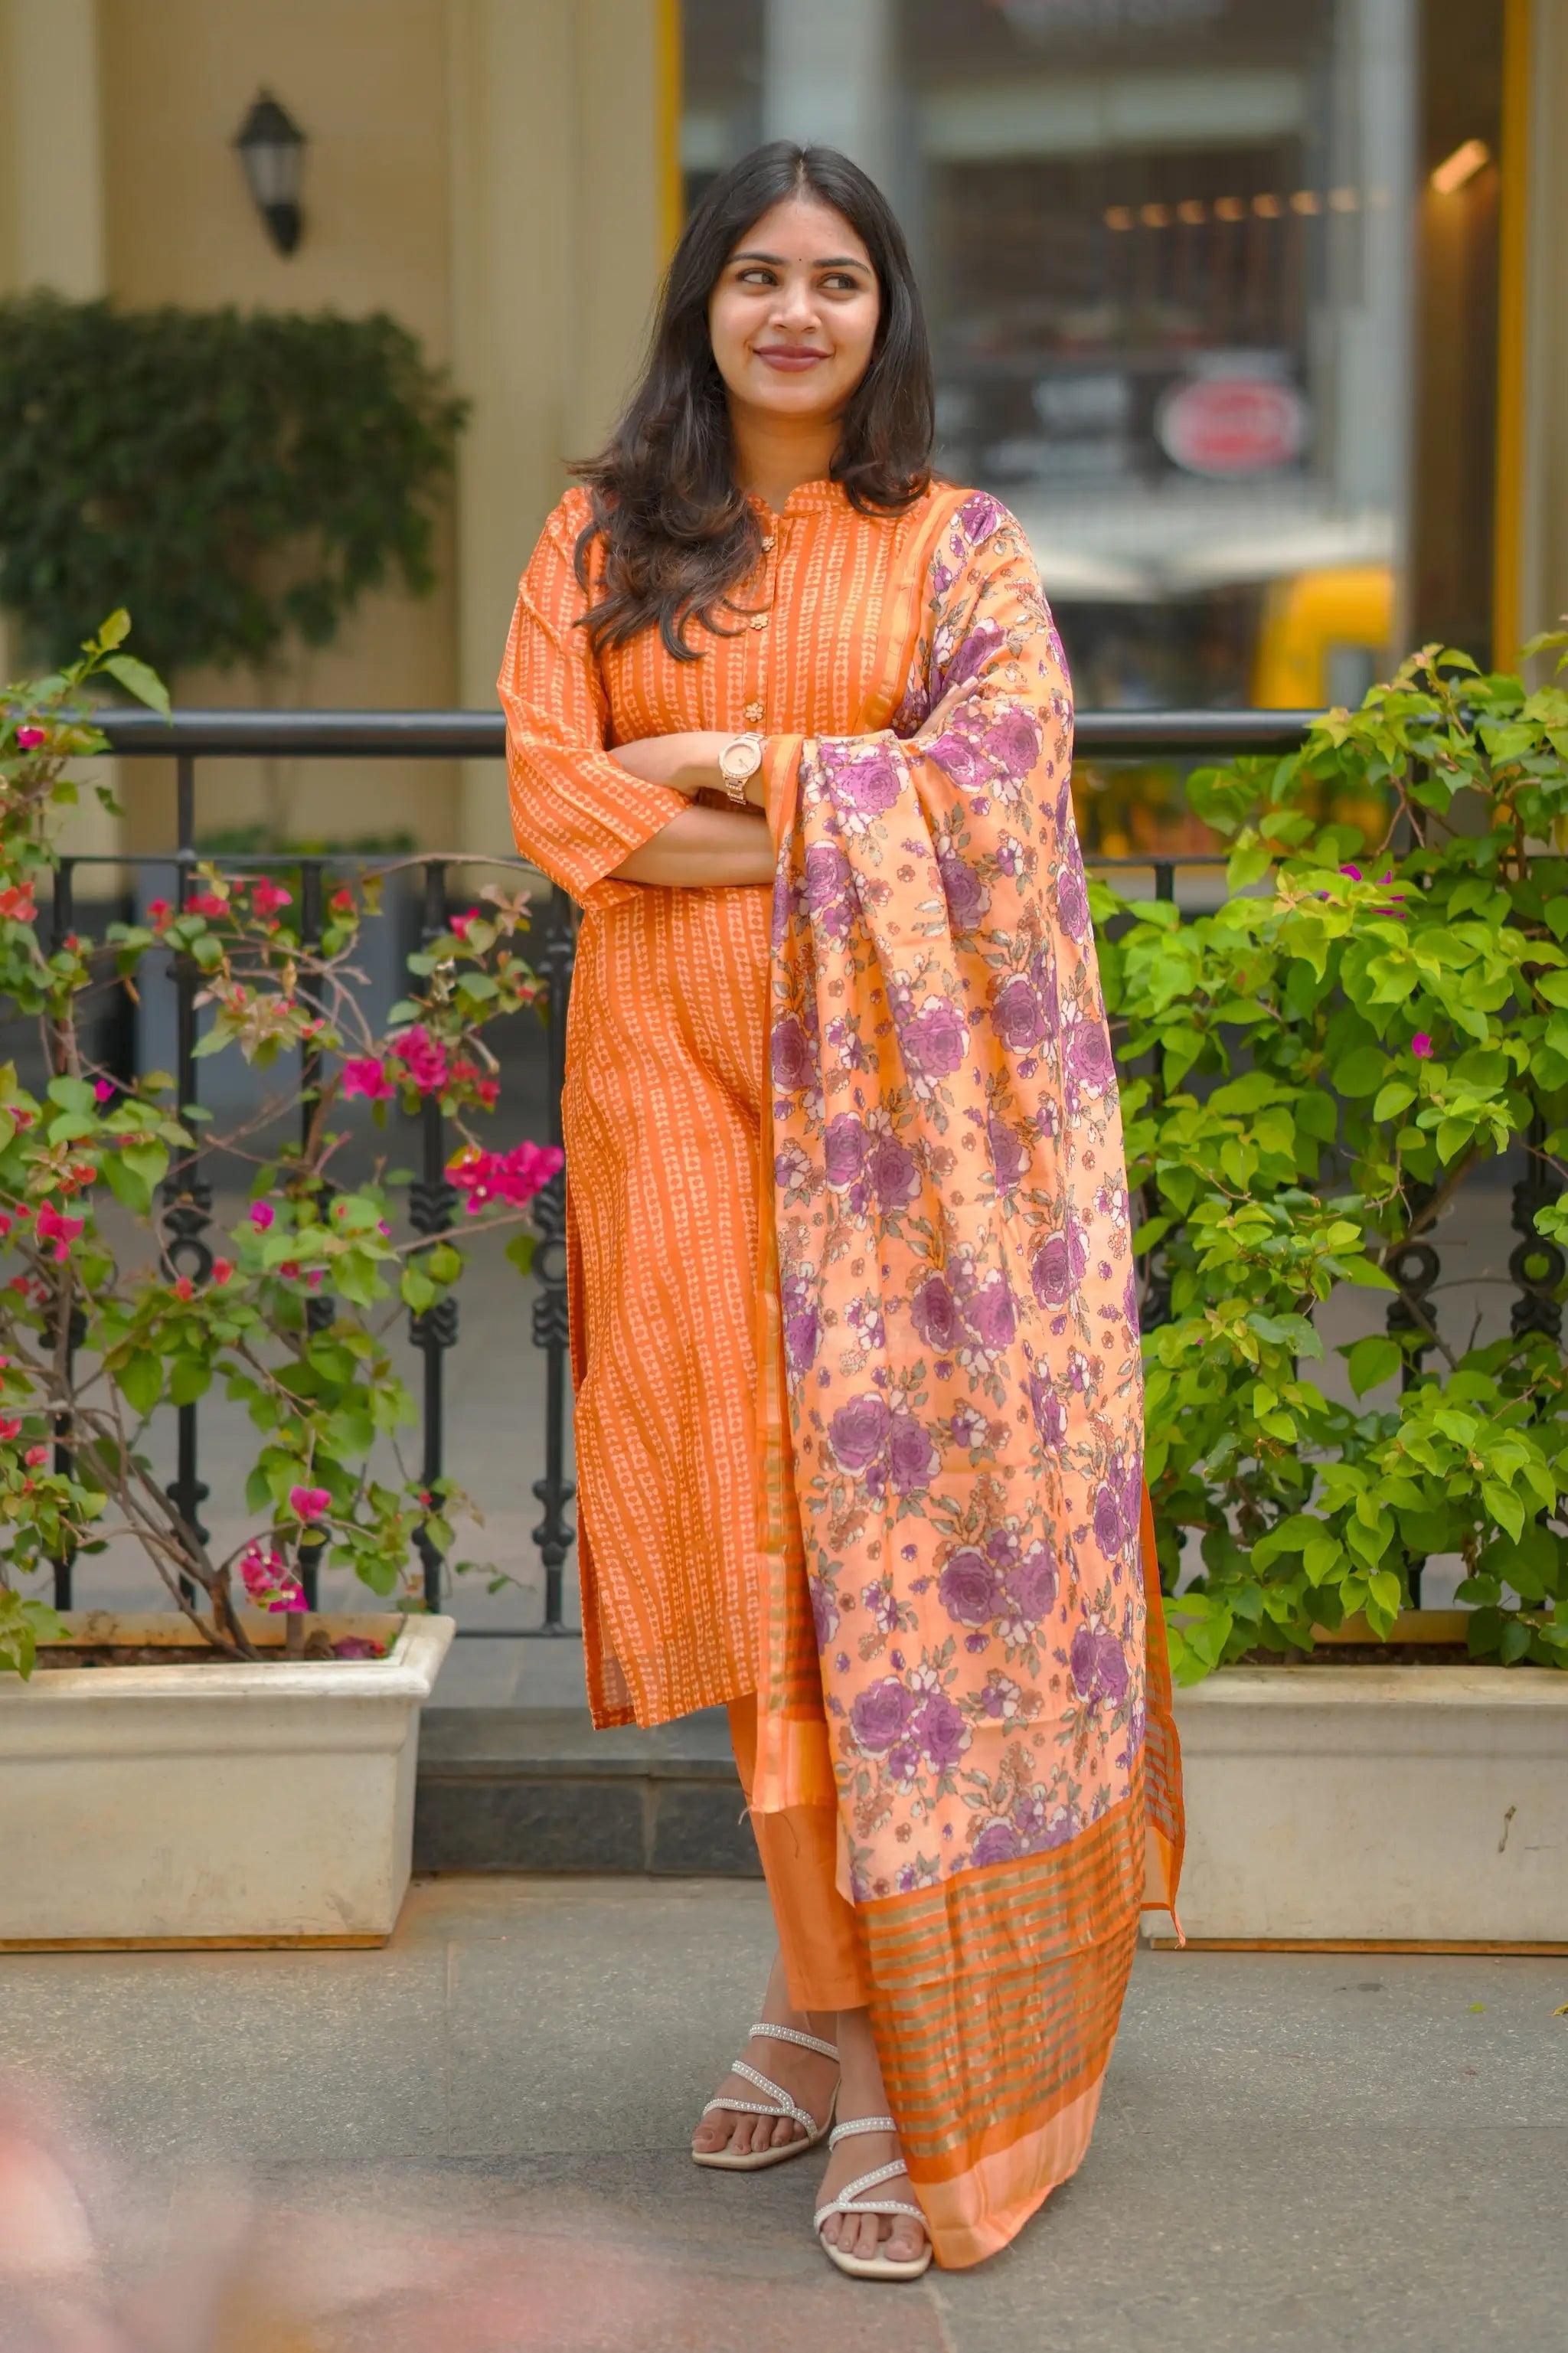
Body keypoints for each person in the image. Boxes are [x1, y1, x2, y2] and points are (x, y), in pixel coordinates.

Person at [499, 141, 1182, 2283]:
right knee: (743, 1535)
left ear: (887, 316)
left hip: (898, 1131)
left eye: (841, 280)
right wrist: (742, 793)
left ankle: (890, 2041)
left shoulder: (956, 544)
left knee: (870, 1565)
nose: (797, 312)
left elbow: (1003, 782)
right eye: (760, 275)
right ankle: (818, 1981)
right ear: (702, 299)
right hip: (667, 1094)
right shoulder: (600, 533)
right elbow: (557, 798)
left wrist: (738, 775)